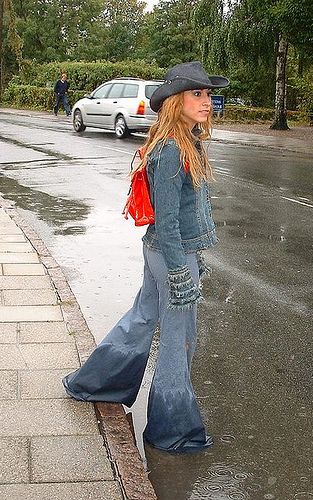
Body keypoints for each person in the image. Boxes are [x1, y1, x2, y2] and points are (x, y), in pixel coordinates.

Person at [62, 61, 229, 453]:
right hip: (171, 252)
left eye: (207, 94)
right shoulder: (172, 150)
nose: (207, 101)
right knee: (178, 339)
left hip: (166, 250)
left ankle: (97, 383)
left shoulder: (188, 141)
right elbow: (168, 220)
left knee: (142, 319)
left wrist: (193, 257)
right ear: (175, 101)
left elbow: (184, 214)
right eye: (197, 94)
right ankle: (173, 431)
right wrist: (180, 270)